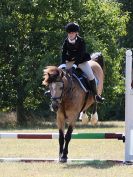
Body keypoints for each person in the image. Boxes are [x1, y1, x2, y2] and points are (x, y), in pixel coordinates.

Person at [59, 22, 104, 103]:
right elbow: (63, 53)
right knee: (57, 73)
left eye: (72, 33)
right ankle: (53, 93)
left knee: (91, 76)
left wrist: (75, 65)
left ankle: (96, 95)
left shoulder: (81, 41)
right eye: (69, 33)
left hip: (81, 61)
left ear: (76, 33)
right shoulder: (66, 41)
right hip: (70, 61)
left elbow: (80, 55)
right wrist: (63, 64)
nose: (70, 35)